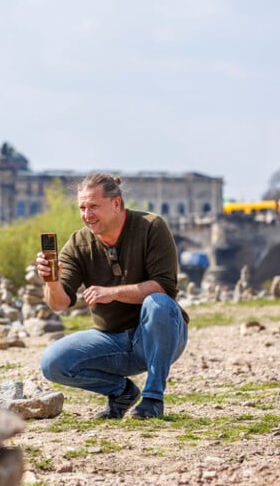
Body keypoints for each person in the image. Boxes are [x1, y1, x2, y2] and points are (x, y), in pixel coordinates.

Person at [36, 173, 188, 419]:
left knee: (157, 303)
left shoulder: (151, 226)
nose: (87, 215)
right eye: (82, 208)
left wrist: (112, 293)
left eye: (94, 206)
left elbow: (164, 289)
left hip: (158, 335)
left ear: (116, 204)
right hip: (113, 341)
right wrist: (51, 282)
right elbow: (59, 304)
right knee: (53, 363)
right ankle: (122, 392)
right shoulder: (78, 243)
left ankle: (153, 399)